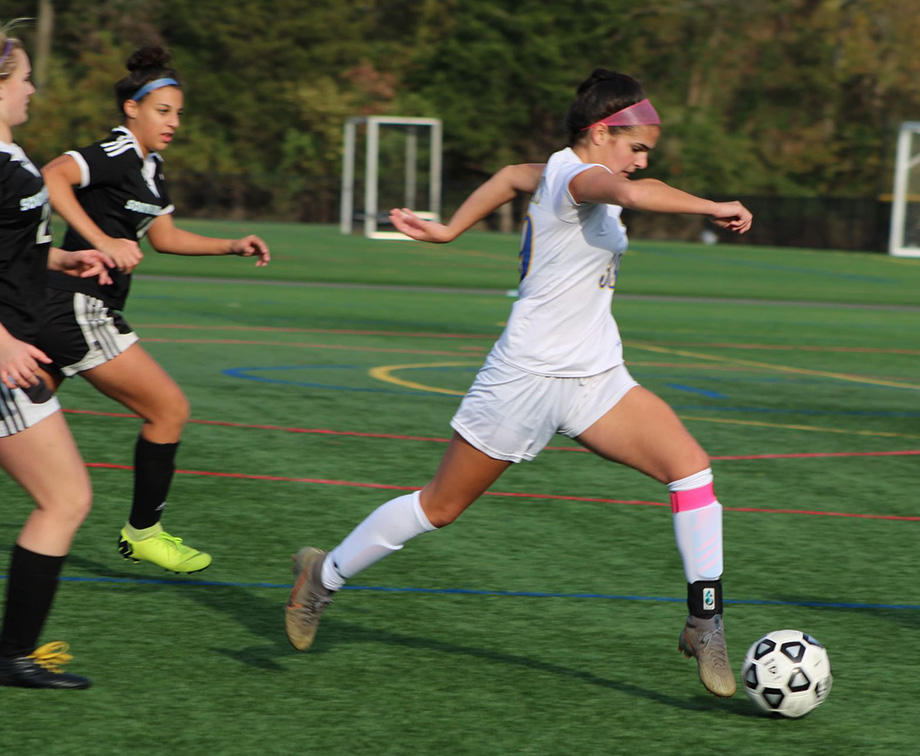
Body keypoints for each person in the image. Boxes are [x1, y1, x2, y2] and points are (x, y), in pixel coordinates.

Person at [285, 68, 753, 697]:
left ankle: (705, 621)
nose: (641, 162)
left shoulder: (554, 170)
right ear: (600, 132)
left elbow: (510, 176)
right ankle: (322, 577)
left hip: (595, 376)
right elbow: (634, 196)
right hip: (525, 378)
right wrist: (712, 204)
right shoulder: (579, 176)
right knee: (439, 508)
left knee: (692, 471)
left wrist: (451, 229)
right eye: (636, 148)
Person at [37, 44, 271, 574]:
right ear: (132, 109)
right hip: (80, 306)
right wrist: (100, 242)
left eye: (179, 114)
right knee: (169, 410)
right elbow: (53, 176)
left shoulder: (151, 168)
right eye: (163, 111)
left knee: (18, 415)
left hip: (64, 307)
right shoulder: (117, 152)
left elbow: (163, 237)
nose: (174, 123)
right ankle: (143, 532)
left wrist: (230, 245)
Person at [0, 27, 117, 689]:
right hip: (4, 360)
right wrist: (3, 341)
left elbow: (11, 250)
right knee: (66, 496)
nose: (33, 89)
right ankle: (12, 655)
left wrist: (63, 257)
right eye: (24, 79)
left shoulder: (11, 158)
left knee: (64, 496)